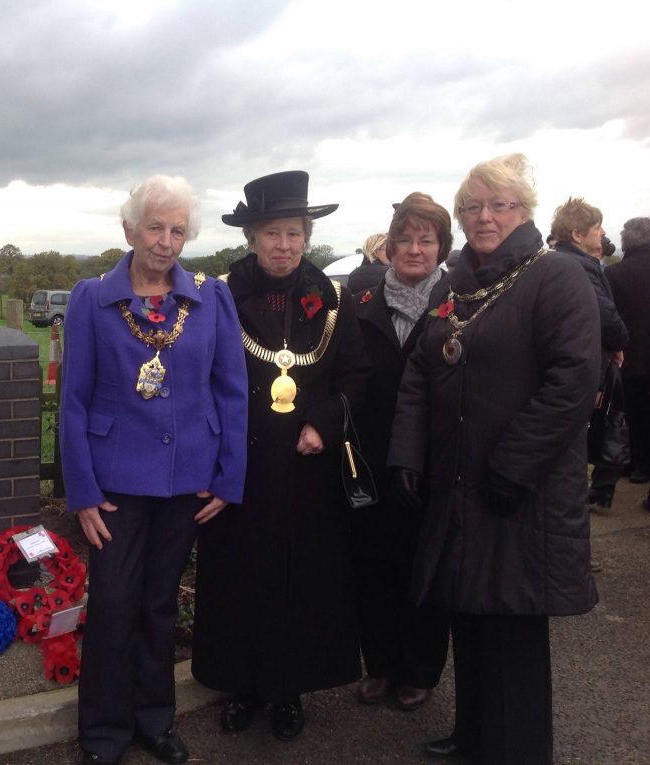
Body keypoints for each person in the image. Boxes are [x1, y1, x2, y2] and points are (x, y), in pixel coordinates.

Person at [388, 154, 600, 763]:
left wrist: (512, 465)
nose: (483, 217)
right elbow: (422, 373)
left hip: (518, 490)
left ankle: (515, 748)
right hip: (458, 485)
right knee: (470, 617)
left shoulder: (555, 276)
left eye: (498, 205)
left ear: (524, 210)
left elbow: (573, 381)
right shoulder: (456, 283)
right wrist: (408, 452)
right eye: (472, 207)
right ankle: (476, 736)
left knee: (510, 627)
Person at [59, 174, 248, 765]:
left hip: (187, 479)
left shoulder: (211, 299)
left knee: (160, 603)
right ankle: (104, 733)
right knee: (114, 603)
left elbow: (231, 390)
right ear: (129, 229)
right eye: (155, 227)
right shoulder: (92, 298)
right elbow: (75, 401)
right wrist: (82, 493)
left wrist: (228, 475)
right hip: (115, 484)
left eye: (178, 230)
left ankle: (154, 719)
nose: (167, 241)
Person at [192, 170, 368, 742]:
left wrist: (323, 421)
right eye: (272, 234)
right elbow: (198, 378)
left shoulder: (332, 296)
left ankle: (290, 690)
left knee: (302, 582)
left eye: (293, 233)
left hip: (306, 470)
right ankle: (242, 684)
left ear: (306, 234)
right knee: (242, 579)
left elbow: (356, 377)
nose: (284, 246)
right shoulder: (218, 293)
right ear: (251, 238)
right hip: (240, 467)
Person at [351, 192, 451, 712]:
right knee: (374, 566)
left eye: (426, 240)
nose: (414, 249)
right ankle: (380, 665)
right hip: (370, 456)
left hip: (432, 461)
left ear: (442, 247)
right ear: (389, 247)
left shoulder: (459, 303)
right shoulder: (362, 299)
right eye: (405, 240)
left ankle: (420, 669)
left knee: (424, 567)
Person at [549, 198, 628, 515]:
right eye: (596, 227)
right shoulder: (578, 268)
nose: (603, 232)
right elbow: (605, 318)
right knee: (574, 457)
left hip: (579, 367)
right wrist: (618, 341)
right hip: (582, 370)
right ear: (577, 234)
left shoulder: (564, 263)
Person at [606, 217, 650, 499]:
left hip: (629, 357)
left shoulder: (614, 275)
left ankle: (638, 465)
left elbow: (610, 319)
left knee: (633, 414)